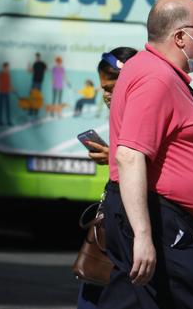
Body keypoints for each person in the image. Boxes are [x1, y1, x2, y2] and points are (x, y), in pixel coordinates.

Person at [99, 0, 193, 309]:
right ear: (180, 36)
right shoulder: (156, 78)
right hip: (161, 219)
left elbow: (171, 152)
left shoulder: (159, 72)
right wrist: (143, 235)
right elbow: (130, 155)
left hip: (163, 214)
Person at [77, 47, 138, 309]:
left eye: (112, 86)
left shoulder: (143, 111)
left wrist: (114, 157)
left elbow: (146, 162)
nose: (106, 95)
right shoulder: (121, 111)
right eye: (103, 88)